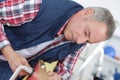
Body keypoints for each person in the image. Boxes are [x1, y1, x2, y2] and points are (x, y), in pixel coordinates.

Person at [0, 0, 116, 80]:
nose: (80, 41)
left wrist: (57, 77)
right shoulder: (40, 6)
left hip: (10, 69)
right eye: (86, 32)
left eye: (88, 41)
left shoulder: (79, 41)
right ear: (87, 12)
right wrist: (9, 53)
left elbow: (66, 71)